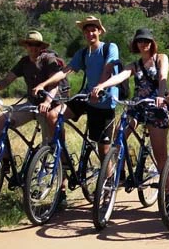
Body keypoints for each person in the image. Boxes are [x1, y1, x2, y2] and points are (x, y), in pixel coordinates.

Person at [33, 16, 120, 160]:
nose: (90, 34)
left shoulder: (109, 48)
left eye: (93, 30)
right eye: (87, 31)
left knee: (104, 152)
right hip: (87, 97)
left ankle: (109, 174)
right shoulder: (83, 53)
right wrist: (43, 84)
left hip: (105, 102)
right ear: (84, 33)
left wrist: (99, 88)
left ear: (99, 31)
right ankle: (63, 158)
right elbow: (65, 71)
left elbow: (107, 69)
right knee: (53, 116)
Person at [0, 30, 62, 179]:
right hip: (31, 104)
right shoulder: (24, 62)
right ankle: (5, 161)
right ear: (26, 46)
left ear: (41, 47)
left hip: (48, 106)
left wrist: (47, 101)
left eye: (36, 45)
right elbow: (7, 80)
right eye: (30, 44)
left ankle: (54, 177)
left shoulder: (48, 60)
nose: (33, 48)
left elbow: (55, 84)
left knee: (49, 145)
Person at [92, 27, 169, 175]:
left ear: (152, 43)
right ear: (136, 44)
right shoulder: (134, 65)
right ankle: (121, 172)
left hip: (156, 106)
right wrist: (102, 85)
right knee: (119, 133)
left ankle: (167, 188)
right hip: (137, 105)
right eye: (140, 41)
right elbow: (121, 76)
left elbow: (163, 76)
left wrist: (161, 95)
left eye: (147, 40)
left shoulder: (161, 58)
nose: (143, 43)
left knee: (160, 154)